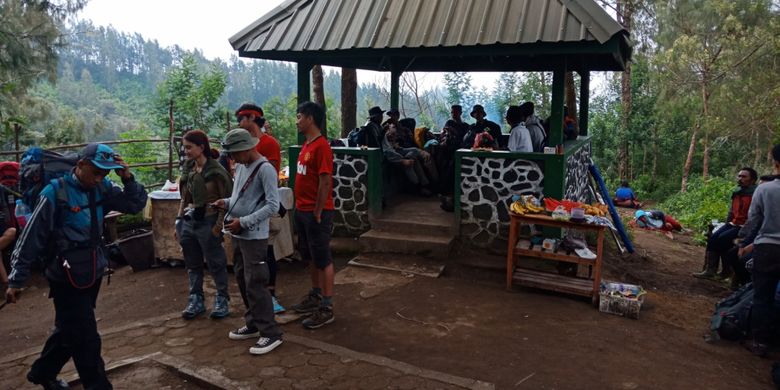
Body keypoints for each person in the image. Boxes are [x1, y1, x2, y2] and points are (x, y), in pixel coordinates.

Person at [5, 143, 147, 389]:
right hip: (64, 274)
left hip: (92, 270)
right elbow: (32, 236)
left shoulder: (101, 188)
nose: (100, 177)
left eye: (105, 173)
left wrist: (127, 177)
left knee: (69, 328)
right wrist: (17, 278)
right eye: (96, 171)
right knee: (86, 338)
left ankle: (42, 372)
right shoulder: (55, 193)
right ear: (80, 165)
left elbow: (133, 205)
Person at [214, 128, 283, 355]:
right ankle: (254, 322)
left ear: (246, 148)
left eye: (233, 153)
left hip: (254, 235)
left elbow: (273, 206)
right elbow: (240, 197)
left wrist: (244, 221)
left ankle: (271, 333)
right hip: (238, 232)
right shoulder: (242, 167)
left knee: (256, 282)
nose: (231, 158)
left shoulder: (265, 170)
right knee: (244, 280)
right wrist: (225, 202)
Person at [176, 130, 233, 320]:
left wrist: (218, 226)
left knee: (216, 262)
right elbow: (185, 197)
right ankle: (196, 299)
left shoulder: (216, 171)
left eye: (189, 147)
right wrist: (179, 220)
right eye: (185, 147)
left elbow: (227, 199)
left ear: (201, 147)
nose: (186, 151)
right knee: (192, 263)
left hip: (209, 220)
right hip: (190, 220)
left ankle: (222, 299)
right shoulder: (189, 169)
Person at [290, 101, 337, 329]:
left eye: (299, 116)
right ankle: (316, 295)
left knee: (323, 258)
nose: (297, 121)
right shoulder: (306, 145)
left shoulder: (321, 147)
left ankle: (327, 307)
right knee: (310, 257)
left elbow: (325, 180)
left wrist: (318, 210)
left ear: (310, 118)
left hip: (316, 213)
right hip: (303, 210)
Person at [236, 103, 285, 313]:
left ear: (252, 118)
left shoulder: (269, 144)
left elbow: (268, 180)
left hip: (263, 206)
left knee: (266, 251)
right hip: (247, 208)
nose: (239, 123)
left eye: (242, 118)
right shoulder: (243, 146)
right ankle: (258, 297)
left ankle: (270, 295)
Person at [744, 145, 780, 357]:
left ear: (776, 164)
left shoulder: (765, 189)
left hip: (768, 248)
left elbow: (753, 220)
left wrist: (743, 242)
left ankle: (761, 343)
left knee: (762, 297)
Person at [693, 167, 758, 279]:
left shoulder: (756, 194)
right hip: (733, 224)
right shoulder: (737, 193)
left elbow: (754, 216)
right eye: (739, 176)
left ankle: (725, 272)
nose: (740, 178)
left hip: (745, 227)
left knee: (723, 240)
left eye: (744, 177)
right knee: (713, 238)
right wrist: (726, 224)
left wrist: (744, 231)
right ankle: (710, 270)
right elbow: (731, 211)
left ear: (752, 180)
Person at [236, 103, 281, 173]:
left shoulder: (270, 143)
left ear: (252, 117)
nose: (238, 124)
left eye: (240, 119)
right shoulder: (244, 143)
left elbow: (270, 173)